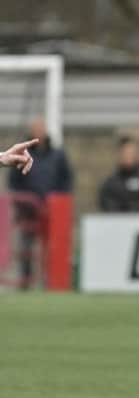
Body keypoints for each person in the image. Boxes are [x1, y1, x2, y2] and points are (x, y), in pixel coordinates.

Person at [8, 118, 73, 290]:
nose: (38, 131)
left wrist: (58, 200)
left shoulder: (58, 155)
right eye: (35, 128)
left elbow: (67, 180)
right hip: (28, 210)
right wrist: (24, 201)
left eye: (41, 128)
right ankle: (25, 284)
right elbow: (13, 182)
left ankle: (51, 284)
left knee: (52, 248)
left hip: (52, 211)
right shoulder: (22, 153)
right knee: (26, 249)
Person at [98, 136, 139, 212]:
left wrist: (133, 209)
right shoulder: (110, 183)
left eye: (131, 152)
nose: (129, 156)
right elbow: (105, 201)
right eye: (126, 152)